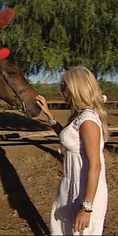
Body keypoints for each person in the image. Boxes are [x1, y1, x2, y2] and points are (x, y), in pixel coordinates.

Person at [35, 66, 108, 235]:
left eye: (63, 85)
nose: (61, 90)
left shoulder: (88, 120)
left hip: (84, 189)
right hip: (70, 183)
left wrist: (87, 208)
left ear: (75, 87)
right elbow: (68, 138)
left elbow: (95, 166)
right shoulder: (79, 116)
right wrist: (49, 114)